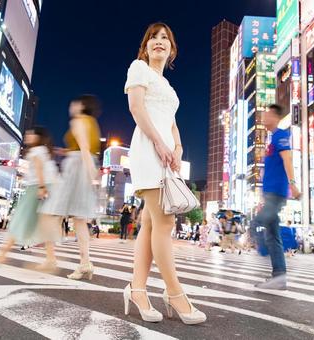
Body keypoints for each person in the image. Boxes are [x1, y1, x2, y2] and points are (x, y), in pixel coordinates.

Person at [123, 23, 206, 324]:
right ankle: (174, 293)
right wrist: (159, 142)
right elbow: (136, 108)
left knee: (149, 222)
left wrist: (179, 147)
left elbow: (171, 121)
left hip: (168, 155)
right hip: (148, 148)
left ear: (172, 50)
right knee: (165, 221)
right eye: (154, 38)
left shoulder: (167, 86)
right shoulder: (139, 68)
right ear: (145, 47)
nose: (159, 42)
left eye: (165, 39)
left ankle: (138, 289)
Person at [38, 95, 102, 279]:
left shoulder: (78, 120)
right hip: (84, 164)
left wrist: (89, 171)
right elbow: (85, 148)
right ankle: (85, 263)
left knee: (50, 211)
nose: (71, 105)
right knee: (80, 220)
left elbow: (82, 146)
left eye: (74, 103)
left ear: (81, 106)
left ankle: (50, 258)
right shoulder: (93, 123)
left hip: (77, 167)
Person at [0, 127, 61, 269]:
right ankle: (50, 259)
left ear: (38, 137)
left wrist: (41, 187)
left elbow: (39, 168)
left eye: (31, 134)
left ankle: (1, 254)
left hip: (36, 188)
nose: (27, 135)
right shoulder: (44, 151)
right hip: (48, 187)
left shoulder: (36, 151)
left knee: (19, 220)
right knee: (43, 225)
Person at [251, 104, 301, 290]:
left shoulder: (281, 135)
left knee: (256, 223)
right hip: (270, 193)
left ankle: (261, 248)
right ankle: (279, 277)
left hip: (276, 193)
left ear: (275, 116)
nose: (263, 118)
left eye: (266, 115)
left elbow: (288, 159)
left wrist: (293, 184)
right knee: (273, 236)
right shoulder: (272, 139)